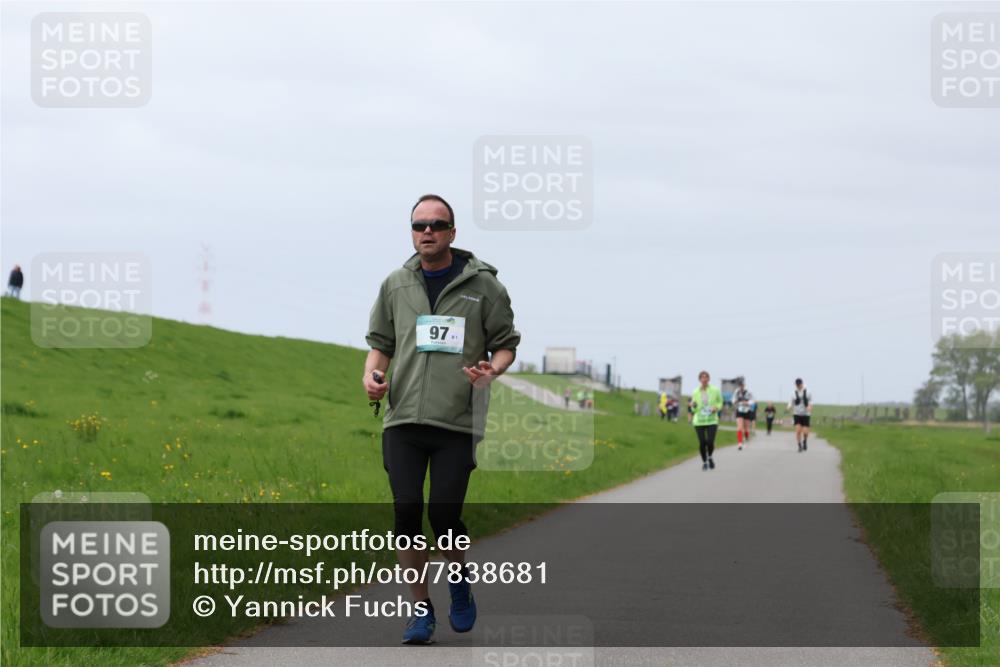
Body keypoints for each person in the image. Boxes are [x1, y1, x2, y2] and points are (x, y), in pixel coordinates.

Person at [364, 193, 520, 644]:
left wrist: (494, 369)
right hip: (403, 421)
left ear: (452, 232)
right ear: (412, 233)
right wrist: (371, 377)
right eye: (419, 226)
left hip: (457, 422)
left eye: (436, 224)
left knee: (444, 516)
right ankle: (420, 610)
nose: (427, 232)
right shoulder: (396, 284)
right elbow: (380, 344)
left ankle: (458, 579)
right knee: (407, 513)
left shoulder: (484, 286)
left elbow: (505, 343)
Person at [690, 370, 723, 470]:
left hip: (712, 420)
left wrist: (716, 408)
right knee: (702, 443)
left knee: (710, 442)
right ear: (699, 379)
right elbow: (694, 408)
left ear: (709, 379)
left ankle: (710, 457)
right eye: (702, 377)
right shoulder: (695, 391)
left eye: (706, 377)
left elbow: (720, 402)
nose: (704, 379)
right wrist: (693, 405)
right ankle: (704, 462)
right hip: (699, 421)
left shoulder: (715, 390)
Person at [788, 378, 812, 452]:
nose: (798, 386)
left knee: (805, 432)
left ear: (802, 384)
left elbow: (811, 401)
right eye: (797, 385)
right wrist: (788, 407)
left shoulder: (807, 392)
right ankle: (799, 445)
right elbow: (790, 402)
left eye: (799, 385)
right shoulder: (793, 393)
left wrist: (809, 407)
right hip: (797, 414)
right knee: (798, 431)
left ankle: (805, 441)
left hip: (806, 414)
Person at [733, 380, 754, 450]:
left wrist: (747, 402)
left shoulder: (749, 392)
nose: (741, 386)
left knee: (746, 429)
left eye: (742, 385)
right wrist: (735, 402)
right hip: (739, 410)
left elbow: (752, 400)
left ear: (744, 385)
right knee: (739, 427)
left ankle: (746, 437)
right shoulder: (736, 392)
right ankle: (740, 443)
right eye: (740, 385)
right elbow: (733, 400)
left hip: (747, 411)